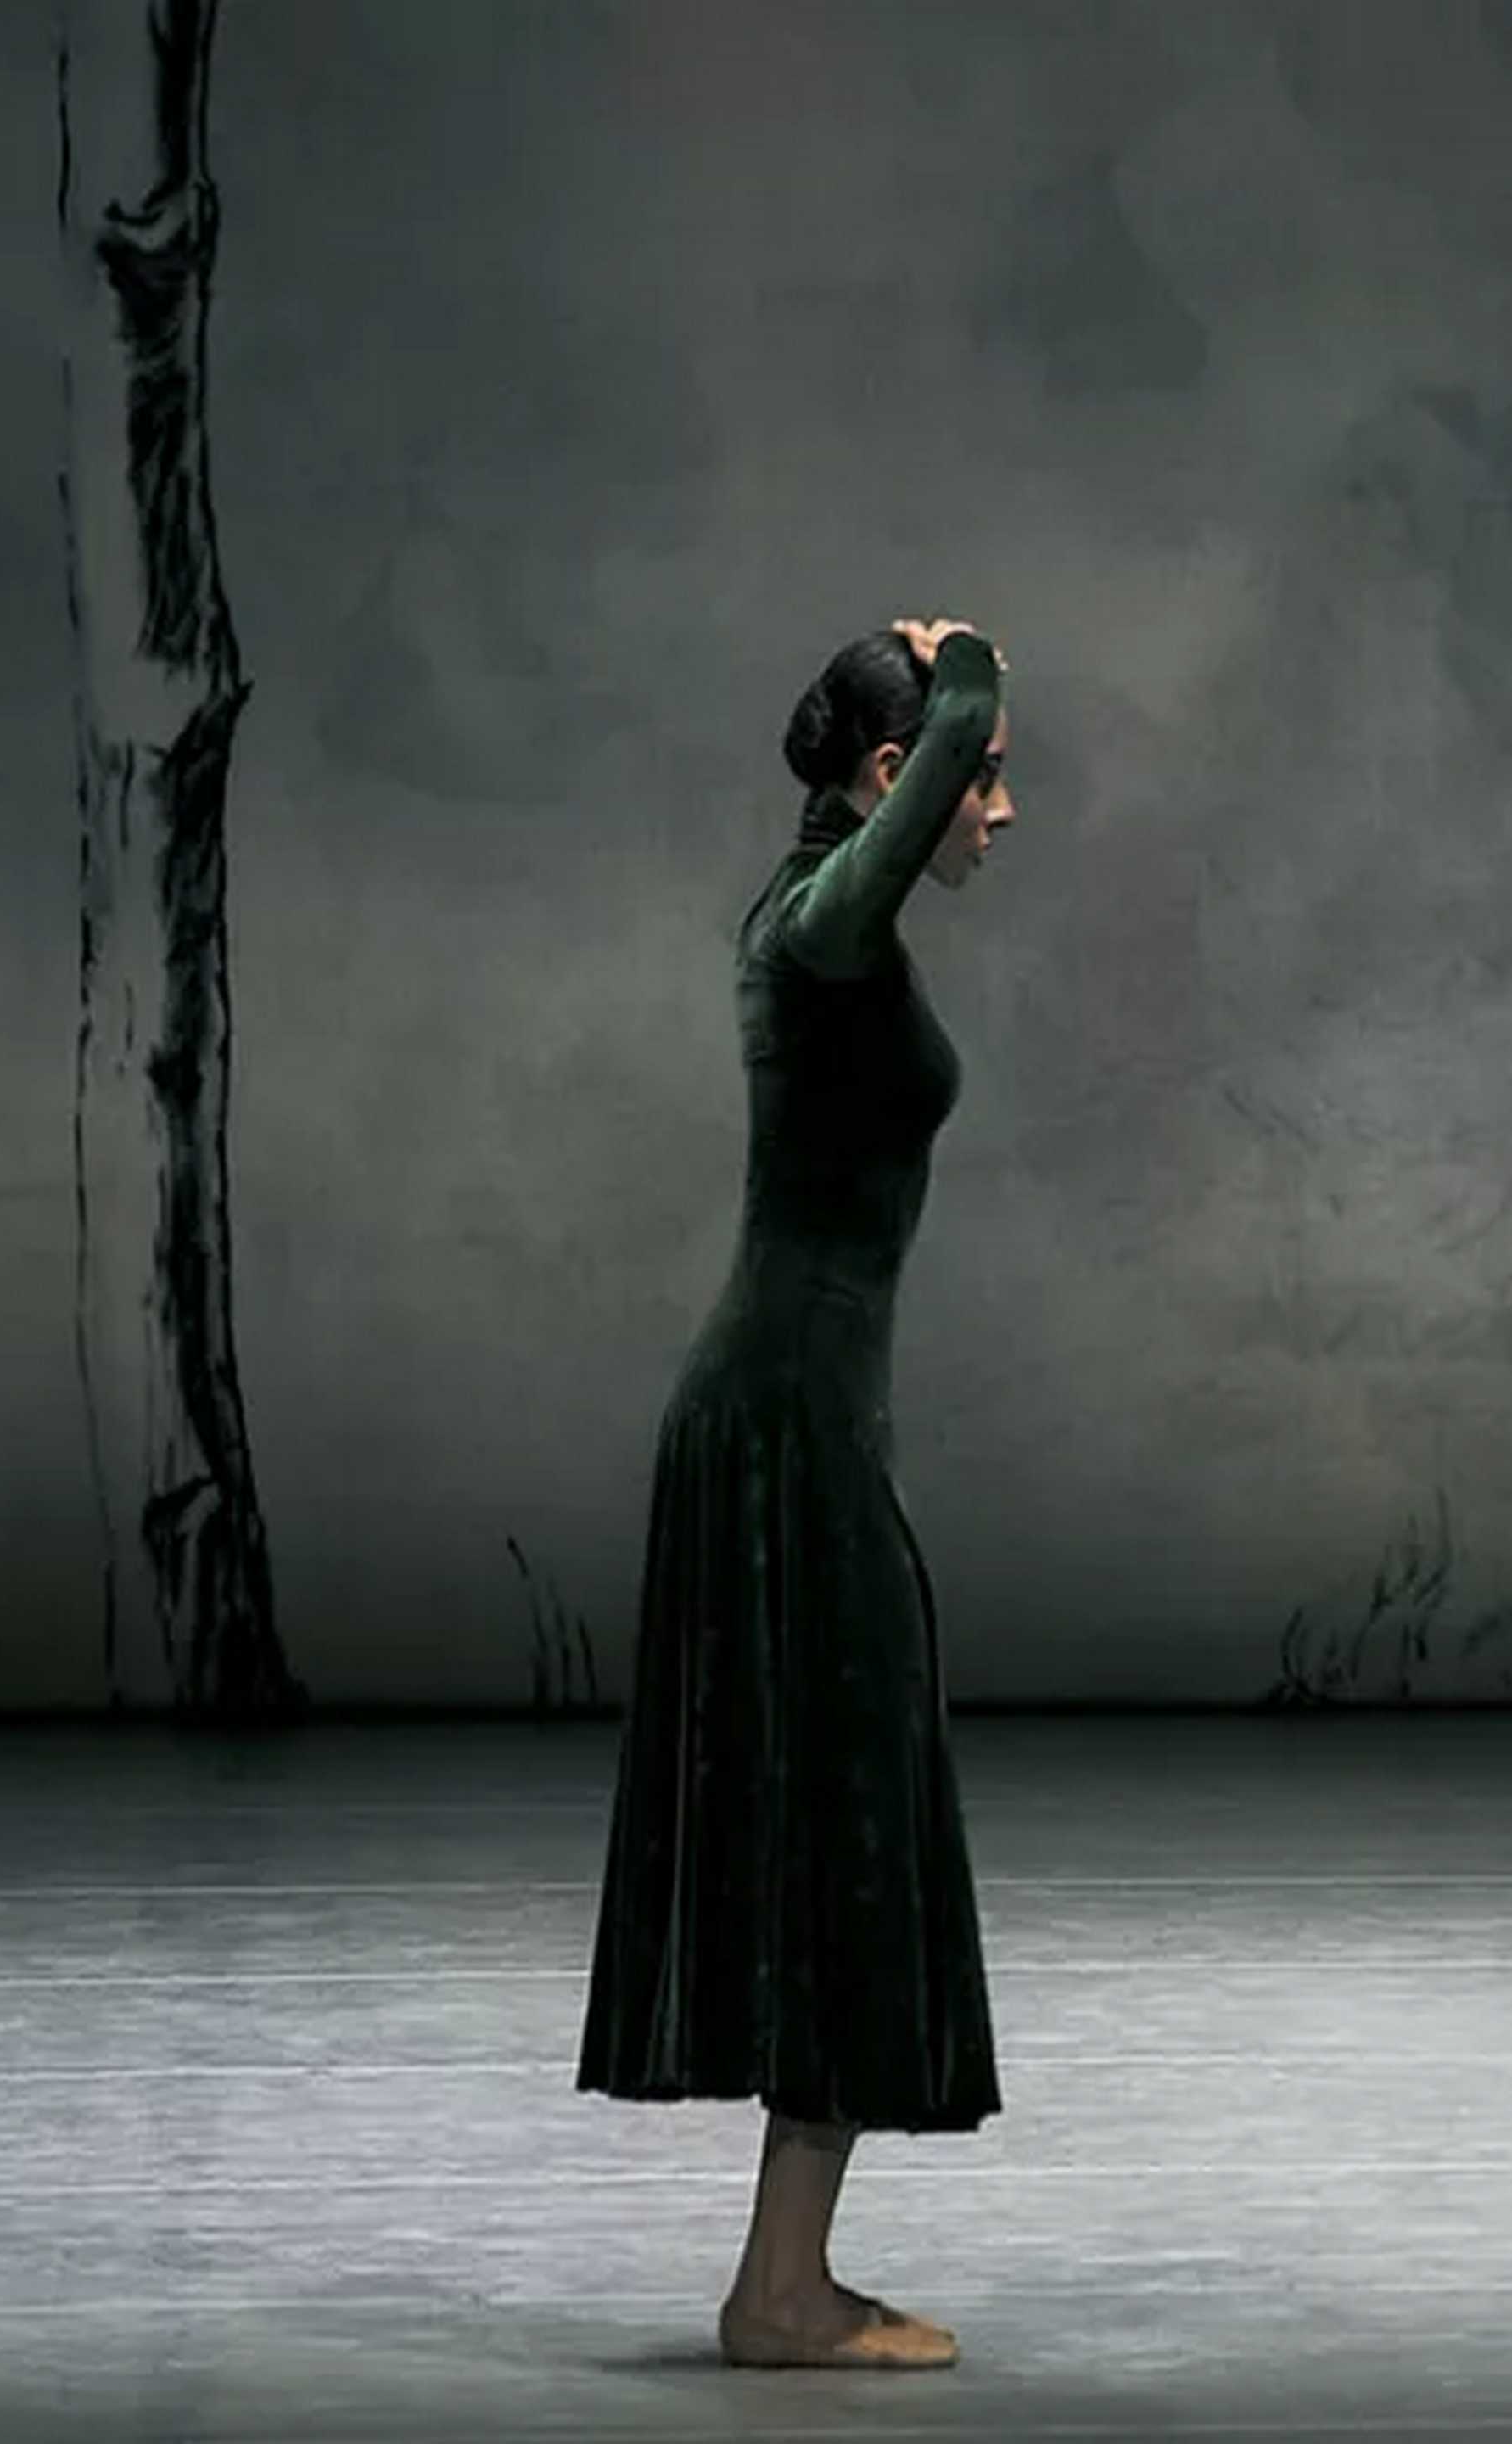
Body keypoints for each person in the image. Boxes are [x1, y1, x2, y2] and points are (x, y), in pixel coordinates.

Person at [578, 618, 1021, 2368]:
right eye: (984, 775)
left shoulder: (828, 918)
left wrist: (956, 708)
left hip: (799, 1420)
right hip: (782, 1430)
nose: (1009, 808)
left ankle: (782, 2280)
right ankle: (779, 2295)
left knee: (846, 1816)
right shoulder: (819, 921)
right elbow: (871, 869)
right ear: (894, 778)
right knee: (849, 1820)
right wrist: (968, 667)